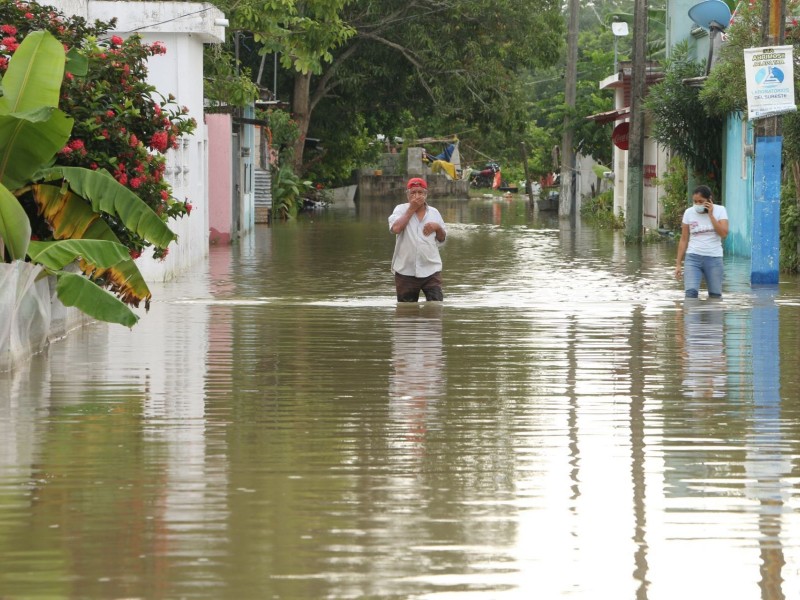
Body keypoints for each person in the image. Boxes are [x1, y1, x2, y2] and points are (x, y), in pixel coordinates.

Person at [388, 177, 447, 302]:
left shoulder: (434, 212)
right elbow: (396, 229)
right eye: (413, 193)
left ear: (426, 195)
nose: (416, 196)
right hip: (405, 271)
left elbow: (442, 239)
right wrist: (411, 209)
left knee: (436, 307)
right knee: (406, 312)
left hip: (431, 270)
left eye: (420, 192)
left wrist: (437, 227)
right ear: (407, 195)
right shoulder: (400, 209)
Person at [675, 184, 729, 299]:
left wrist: (711, 216)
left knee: (715, 297)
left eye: (701, 201)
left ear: (709, 200)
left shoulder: (720, 210)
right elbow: (684, 239)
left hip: (714, 258)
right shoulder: (689, 213)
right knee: (690, 295)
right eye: (695, 201)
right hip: (693, 258)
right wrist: (678, 264)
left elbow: (724, 234)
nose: (698, 204)